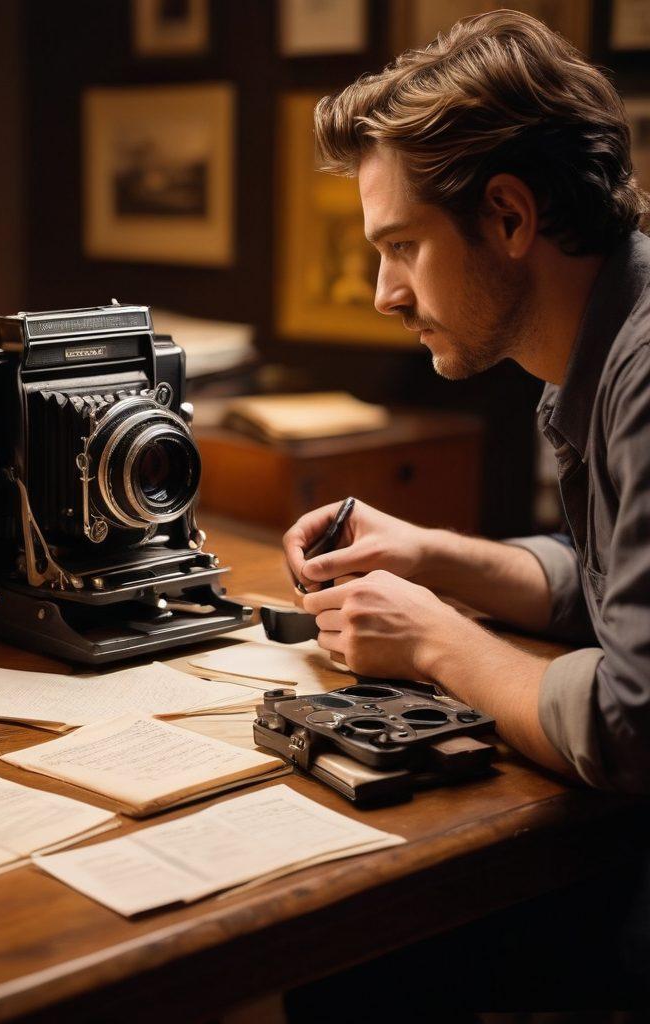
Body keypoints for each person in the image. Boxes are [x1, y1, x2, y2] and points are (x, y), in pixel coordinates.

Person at [284, 10, 650, 791]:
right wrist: (428, 555)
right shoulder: (597, 340)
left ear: (510, 216)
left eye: (402, 247)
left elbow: (633, 725)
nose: (386, 294)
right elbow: (604, 585)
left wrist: (432, 639)